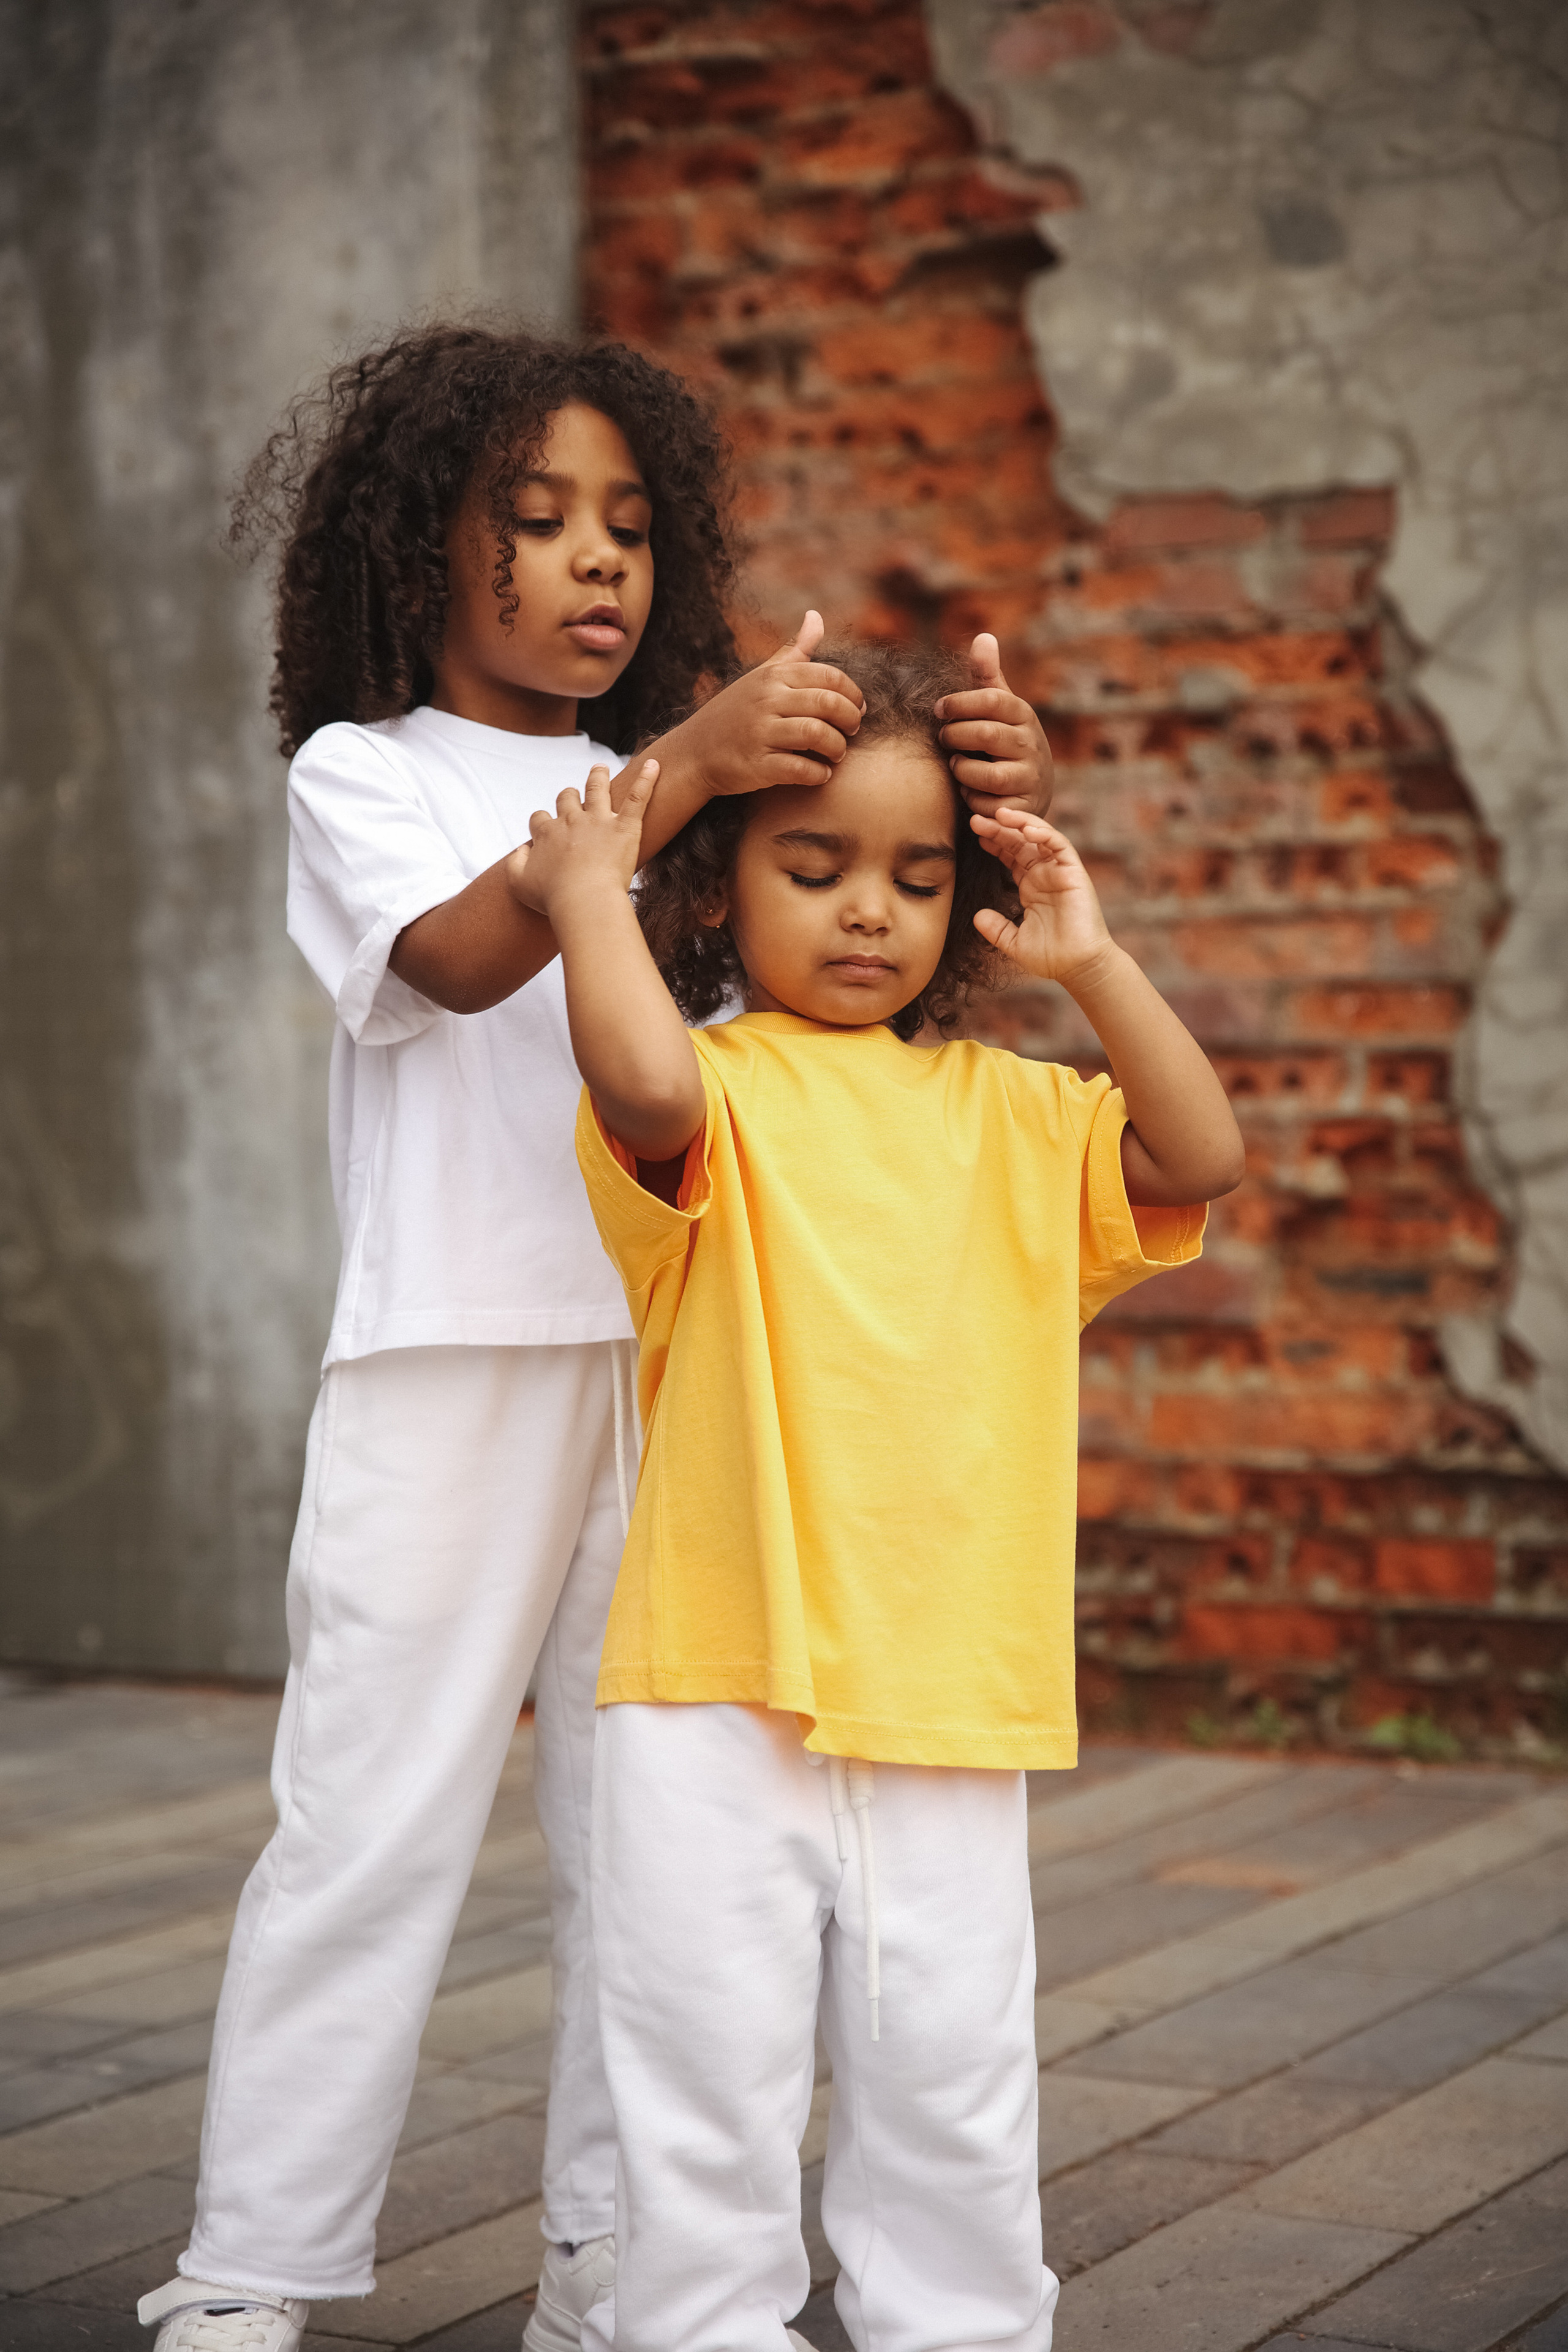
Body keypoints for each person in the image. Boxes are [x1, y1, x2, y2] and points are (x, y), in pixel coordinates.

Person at [137, 329, 1056, 2352]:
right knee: (369, 1822)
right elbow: (474, 955)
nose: (595, 565)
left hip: (694, 1375)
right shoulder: (365, 774)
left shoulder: (696, 790)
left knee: (650, 1866)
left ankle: (613, 2261)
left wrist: (993, 787)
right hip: (450, 1358)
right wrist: (695, 764)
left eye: (630, 530)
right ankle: (249, 2269)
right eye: (534, 522)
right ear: (410, 550)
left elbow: (863, 932)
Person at [519, 640, 1245, 2352]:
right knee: (706, 2090)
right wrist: (586, 897)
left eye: (921, 879)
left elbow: (1202, 1157)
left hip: (948, 1695)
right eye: (814, 864)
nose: (869, 912)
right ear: (721, 886)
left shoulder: (1021, 1114)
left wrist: (1098, 961)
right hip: (715, 1689)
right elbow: (631, 1075)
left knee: (955, 2094)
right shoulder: (718, 1094)